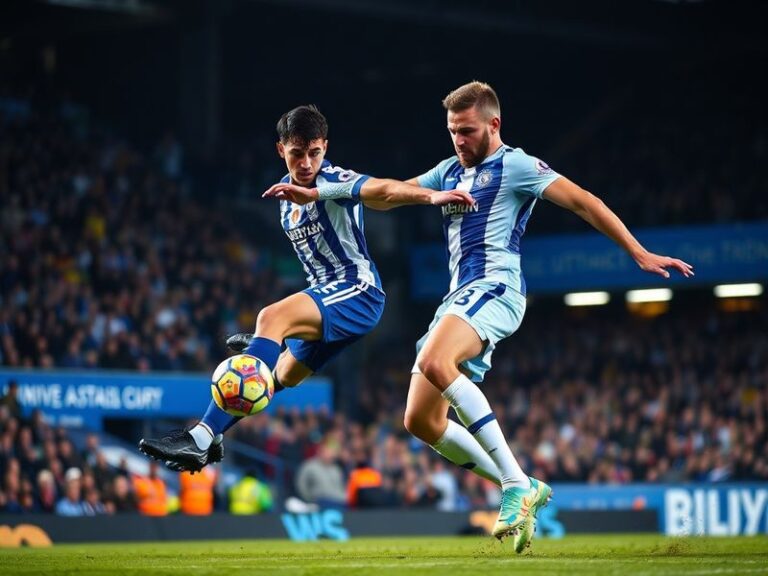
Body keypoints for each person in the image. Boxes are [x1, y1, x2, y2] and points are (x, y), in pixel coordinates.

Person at [264, 82, 693, 550]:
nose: (459, 140)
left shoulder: (518, 166)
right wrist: (322, 192)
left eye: (467, 131)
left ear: (494, 124)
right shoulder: (449, 170)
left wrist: (638, 252)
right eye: (452, 131)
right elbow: (389, 195)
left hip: (496, 288)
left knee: (435, 360)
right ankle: (523, 483)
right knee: (420, 421)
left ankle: (513, 486)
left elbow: (583, 201)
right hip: (457, 298)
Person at [139, 105, 473, 472]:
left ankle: (203, 427)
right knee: (278, 377)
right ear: (280, 149)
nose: (306, 163)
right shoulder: (285, 202)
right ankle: (210, 437)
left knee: (271, 317)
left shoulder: (333, 181)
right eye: (297, 153)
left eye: (314, 152)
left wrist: (430, 197)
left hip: (357, 291)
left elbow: (383, 190)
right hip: (330, 298)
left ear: (324, 147)